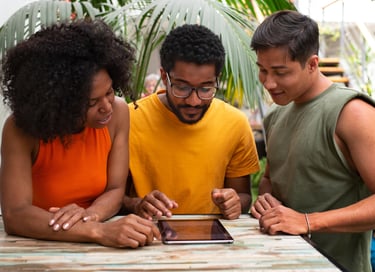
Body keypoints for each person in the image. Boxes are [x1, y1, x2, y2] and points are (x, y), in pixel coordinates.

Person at [0, 19, 160, 248]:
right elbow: (16, 214)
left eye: (110, 92)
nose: (106, 106)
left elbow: (115, 189)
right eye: (91, 102)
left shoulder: (118, 113)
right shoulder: (20, 130)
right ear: (57, 104)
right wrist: (96, 231)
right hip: (37, 246)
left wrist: (90, 216)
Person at [249, 10, 375, 272]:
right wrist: (266, 201)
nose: (269, 83)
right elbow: (271, 181)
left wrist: (308, 221)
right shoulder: (275, 115)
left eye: (280, 72)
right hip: (277, 263)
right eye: (262, 70)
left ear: (312, 64)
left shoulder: (353, 113)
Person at [122, 24, 260, 220]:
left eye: (206, 88)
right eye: (182, 87)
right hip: (146, 236)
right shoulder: (129, 119)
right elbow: (110, 195)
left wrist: (234, 202)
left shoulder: (235, 123)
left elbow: (243, 196)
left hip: (213, 241)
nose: (193, 101)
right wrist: (136, 204)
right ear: (164, 76)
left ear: (216, 80)